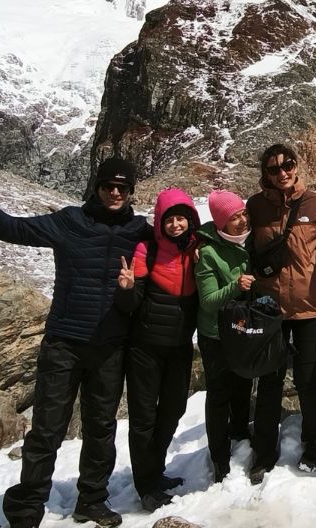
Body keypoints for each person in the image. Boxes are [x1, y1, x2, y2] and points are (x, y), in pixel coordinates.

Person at [0, 158, 150, 528]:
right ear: (98, 186)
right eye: (109, 185)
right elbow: (12, 228)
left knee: (101, 428)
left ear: (131, 191)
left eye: (123, 187)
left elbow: (176, 248)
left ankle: (92, 500)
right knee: (47, 428)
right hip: (64, 342)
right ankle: (27, 509)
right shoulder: (69, 222)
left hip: (110, 347)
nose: (115, 192)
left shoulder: (140, 231)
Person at [246, 143, 316, 481]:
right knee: (269, 379)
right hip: (270, 307)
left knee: (307, 378)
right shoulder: (255, 207)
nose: (282, 172)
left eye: (288, 165)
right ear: (265, 173)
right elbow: (236, 237)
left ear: (297, 166)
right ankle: (264, 450)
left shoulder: (315, 203)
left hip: (311, 305)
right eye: (274, 168)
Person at [118, 188, 201, 511]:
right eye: (170, 219)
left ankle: (156, 469)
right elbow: (132, 303)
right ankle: (146, 485)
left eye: (182, 218)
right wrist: (126, 289)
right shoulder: (146, 250)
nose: (176, 225)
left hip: (180, 347)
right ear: (159, 222)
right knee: (143, 419)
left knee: (172, 411)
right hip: (145, 348)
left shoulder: (196, 248)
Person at [194, 190, 255, 483]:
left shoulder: (252, 240)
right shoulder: (208, 252)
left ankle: (241, 433)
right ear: (220, 223)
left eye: (243, 213)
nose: (242, 221)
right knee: (219, 394)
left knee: (243, 383)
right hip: (215, 334)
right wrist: (236, 286)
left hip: (240, 328)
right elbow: (207, 301)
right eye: (234, 218)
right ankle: (219, 456)